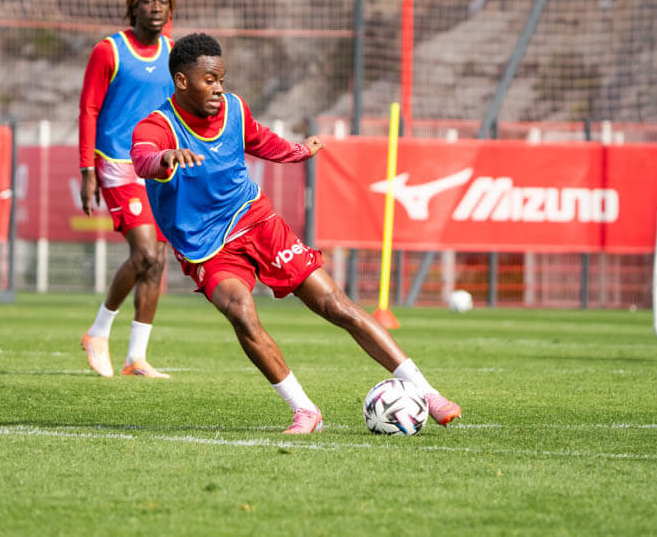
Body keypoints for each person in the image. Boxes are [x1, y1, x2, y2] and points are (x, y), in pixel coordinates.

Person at [130, 32, 462, 433]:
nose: (218, 88)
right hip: (207, 247)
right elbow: (143, 158)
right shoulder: (157, 125)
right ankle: (305, 410)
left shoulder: (234, 109)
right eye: (209, 80)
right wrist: (165, 158)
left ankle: (428, 393)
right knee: (240, 313)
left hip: (256, 220)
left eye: (222, 79)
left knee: (335, 304)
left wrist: (299, 151)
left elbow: (260, 140)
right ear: (182, 81)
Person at [77, 0, 177, 378]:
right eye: (148, 1)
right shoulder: (109, 50)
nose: (156, 8)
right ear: (134, 6)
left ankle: (136, 357)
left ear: (171, 9)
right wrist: (87, 170)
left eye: (163, 2)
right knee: (145, 253)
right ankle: (98, 332)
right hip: (117, 162)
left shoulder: (174, 53)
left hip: (159, 167)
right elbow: (89, 109)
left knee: (157, 262)